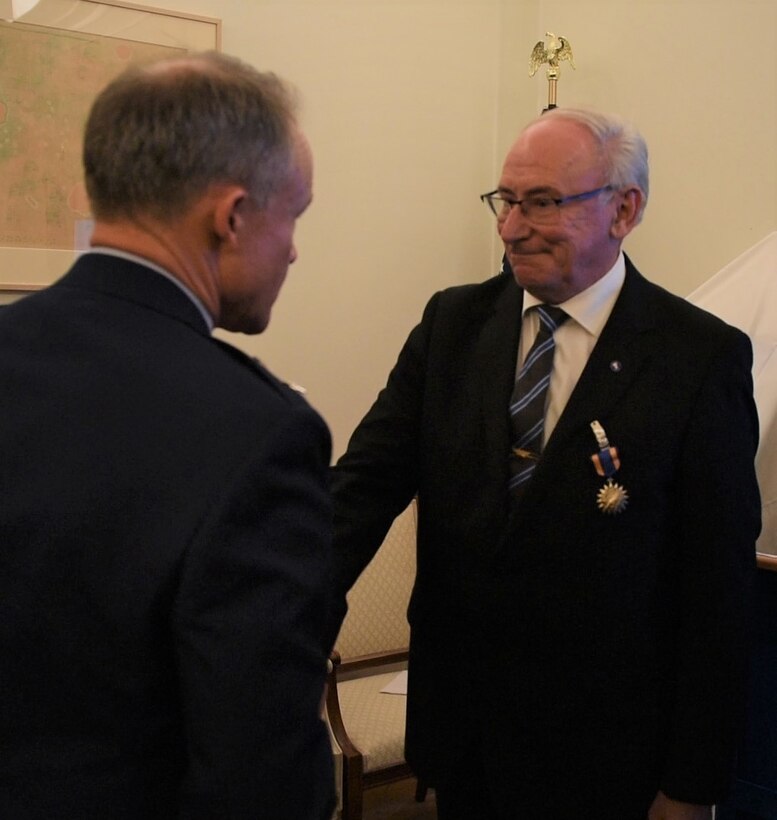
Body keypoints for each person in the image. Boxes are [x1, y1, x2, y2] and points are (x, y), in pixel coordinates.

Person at [330, 108, 761, 820]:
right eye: (505, 201)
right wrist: (270, 614)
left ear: (624, 209)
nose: (509, 226)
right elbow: (359, 491)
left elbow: (715, 591)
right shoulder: (452, 327)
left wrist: (691, 784)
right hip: (464, 742)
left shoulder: (695, 356)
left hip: (607, 759)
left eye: (541, 203)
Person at [0, 52, 335, 819]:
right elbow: (259, 778)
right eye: (294, 215)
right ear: (233, 215)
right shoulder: (257, 437)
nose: (292, 249)